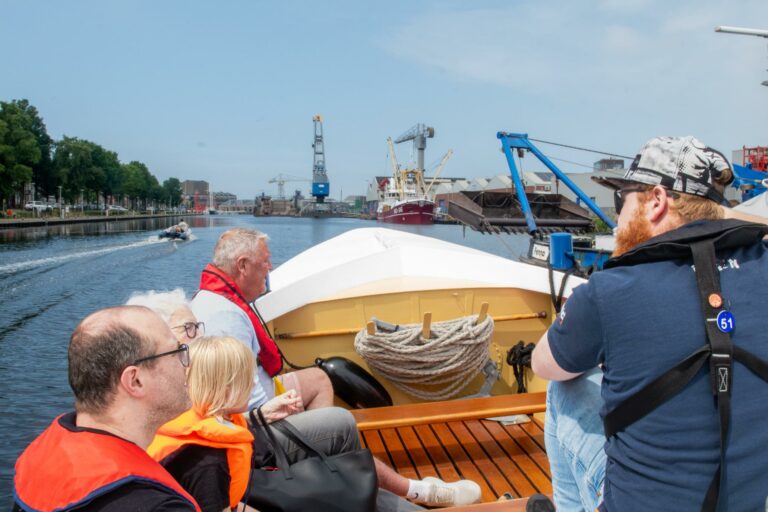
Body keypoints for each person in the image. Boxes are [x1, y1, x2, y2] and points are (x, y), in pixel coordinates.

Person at [531, 136, 768, 511]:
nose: (618, 217)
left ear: (656, 201)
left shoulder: (610, 290)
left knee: (562, 387)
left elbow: (543, 363)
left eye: (621, 200)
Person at [131, 289, 482, 509]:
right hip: (245, 476)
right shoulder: (167, 399)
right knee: (337, 477)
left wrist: (257, 415)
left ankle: (405, 493)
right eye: (189, 330)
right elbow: (202, 464)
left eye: (197, 327)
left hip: (242, 447)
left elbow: (208, 421)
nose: (197, 336)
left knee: (339, 426)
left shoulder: (188, 374)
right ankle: (405, 496)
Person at [13, 306, 200, 511]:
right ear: (135, 380)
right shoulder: (157, 506)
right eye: (177, 351)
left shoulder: (40, 463)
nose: (187, 363)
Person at [191, 227, 332, 411]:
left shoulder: (209, 298)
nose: (270, 267)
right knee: (339, 421)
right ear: (243, 266)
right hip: (255, 418)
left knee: (319, 380)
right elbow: (247, 401)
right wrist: (281, 413)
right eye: (265, 261)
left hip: (260, 392)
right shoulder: (228, 319)